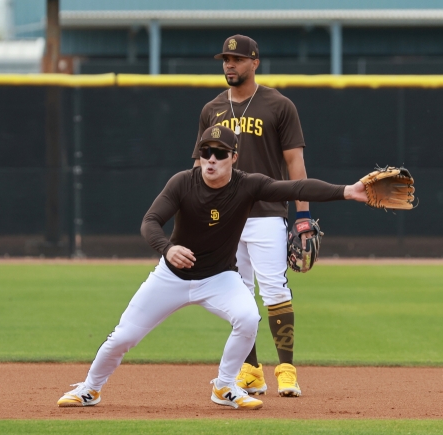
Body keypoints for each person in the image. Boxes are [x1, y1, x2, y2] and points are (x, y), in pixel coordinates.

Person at [57, 125, 368, 409]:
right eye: (205, 151)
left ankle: (224, 386)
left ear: (233, 157)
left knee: (248, 318)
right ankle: (90, 388)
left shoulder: (248, 186)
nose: (211, 158)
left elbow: (297, 188)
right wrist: (168, 248)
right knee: (124, 336)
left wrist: (348, 191)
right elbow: (150, 222)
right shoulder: (182, 182)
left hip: (219, 278)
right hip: (171, 277)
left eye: (219, 153)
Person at [192, 34, 312, 397]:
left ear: (254, 62)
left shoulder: (279, 105)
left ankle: (287, 370)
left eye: (237, 59)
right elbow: (200, 166)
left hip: (266, 212)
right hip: (225, 216)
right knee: (239, 294)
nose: (229, 64)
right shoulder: (212, 109)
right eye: (225, 59)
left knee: (273, 287)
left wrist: (303, 218)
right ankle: (251, 370)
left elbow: (295, 163)